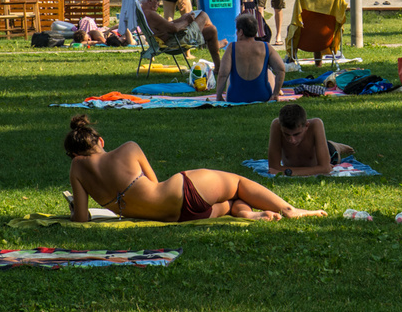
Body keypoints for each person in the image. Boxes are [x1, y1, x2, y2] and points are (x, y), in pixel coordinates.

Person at [64, 114, 326, 223]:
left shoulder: (77, 169)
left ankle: (248, 215)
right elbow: (155, 184)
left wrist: (79, 207)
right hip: (180, 194)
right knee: (236, 183)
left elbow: (82, 219)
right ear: (100, 141)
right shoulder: (128, 149)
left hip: (176, 217)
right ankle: (289, 210)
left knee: (233, 201)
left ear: (74, 154)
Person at [139, 0, 222, 72]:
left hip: (170, 40)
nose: (159, 3)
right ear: (149, 0)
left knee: (212, 30)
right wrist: (186, 21)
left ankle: (218, 68)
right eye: (157, 0)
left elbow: (168, 25)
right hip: (176, 41)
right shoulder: (151, 14)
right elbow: (174, 29)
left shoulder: (143, 13)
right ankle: (216, 44)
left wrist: (182, 18)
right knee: (203, 14)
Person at [266, 103, 354, 177]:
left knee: (332, 152)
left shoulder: (315, 124)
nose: (291, 140)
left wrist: (287, 172)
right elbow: (273, 168)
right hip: (311, 157)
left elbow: (326, 169)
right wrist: (317, 169)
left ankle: (337, 146)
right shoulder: (276, 125)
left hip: (329, 152)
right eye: (286, 134)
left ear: (306, 126)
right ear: (281, 127)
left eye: (297, 134)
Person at [217, 14, 284, 103]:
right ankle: (279, 91)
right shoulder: (265, 47)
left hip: (235, 97)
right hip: (262, 95)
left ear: (241, 32)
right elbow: (281, 70)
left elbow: (223, 73)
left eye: (237, 31)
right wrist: (275, 94)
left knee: (230, 76)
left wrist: (219, 96)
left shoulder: (232, 47)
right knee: (269, 72)